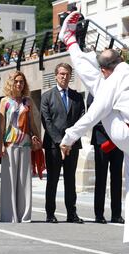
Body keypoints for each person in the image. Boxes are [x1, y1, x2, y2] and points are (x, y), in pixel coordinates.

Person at [58, 11, 129, 254]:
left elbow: (96, 113)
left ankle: (70, 41)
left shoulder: (110, 79)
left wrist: (69, 136)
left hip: (127, 134)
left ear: (107, 69)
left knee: (96, 88)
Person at [40, 63, 85, 224]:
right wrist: (61, 142)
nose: (64, 77)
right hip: (54, 145)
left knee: (70, 180)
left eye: (67, 74)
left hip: (72, 145)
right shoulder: (47, 96)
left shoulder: (78, 97)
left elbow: (82, 119)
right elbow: (47, 121)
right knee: (52, 179)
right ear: (56, 75)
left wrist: (70, 141)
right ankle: (50, 214)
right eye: (61, 74)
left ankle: (71, 213)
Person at [0, 71, 41, 223]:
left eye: (22, 81)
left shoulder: (27, 101)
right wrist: (1, 144)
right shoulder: (5, 101)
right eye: (16, 81)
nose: (19, 84)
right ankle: (9, 215)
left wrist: (37, 138)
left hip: (25, 144)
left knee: (24, 182)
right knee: (9, 181)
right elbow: (1, 126)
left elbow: (33, 122)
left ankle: (24, 215)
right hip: (9, 144)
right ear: (11, 82)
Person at [87, 94, 124, 224]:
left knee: (117, 178)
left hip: (118, 141)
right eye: (105, 71)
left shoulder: (119, 90)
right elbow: (93, 115)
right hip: (101, 140)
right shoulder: (95, 92)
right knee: (101, 178)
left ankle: (116, 214)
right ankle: (99, 214)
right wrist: (110, 128)